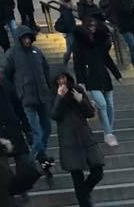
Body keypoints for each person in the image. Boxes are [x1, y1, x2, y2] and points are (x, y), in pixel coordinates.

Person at [3, 26, 54, 173]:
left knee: (47, 128)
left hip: (42, 96)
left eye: (28, 37)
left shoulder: (37, 52)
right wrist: (16, 93)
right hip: (25, 98)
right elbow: (6, 75)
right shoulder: (12, 54)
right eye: (24, 38)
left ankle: (40, 155)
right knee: (35, 132)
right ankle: (31, 162)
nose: (27, 40)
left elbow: (46, 70)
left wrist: (50, 89)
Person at [51, 72, 105, 207]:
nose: (61, 81)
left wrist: (81, 100)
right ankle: (84, 202)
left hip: (85, 136)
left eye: (63, 77)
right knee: (77, 175)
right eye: (58, 79)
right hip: (68, 139)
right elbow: (54, 115)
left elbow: (90, 112)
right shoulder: (53, 94)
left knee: (98, 171)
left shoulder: (77, 89)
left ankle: (84, 193)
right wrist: (59, 97)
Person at [73, 15, 122, 146]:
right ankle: (108, 133)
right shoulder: (81, 45)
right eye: (90, 26)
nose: (92, 28)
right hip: (92, 79)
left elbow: (107, 59)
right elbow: (78, 64)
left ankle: (109, 131)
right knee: (103, 105)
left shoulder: (100, 43)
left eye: (94, 26)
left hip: (104, 77)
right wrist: (81, 81)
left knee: (110, 105)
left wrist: (117, 75)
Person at [55, 0, 77, 65]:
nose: (72, 3)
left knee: (69, 50)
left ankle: (65, 62)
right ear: (68, 3)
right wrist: (73, 29)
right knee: (74, 49)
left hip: (68, 32)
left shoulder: (65, 10)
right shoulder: (67, 11)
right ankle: (76, 64)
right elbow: (68, 22)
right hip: (70, 32)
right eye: (71, 2)